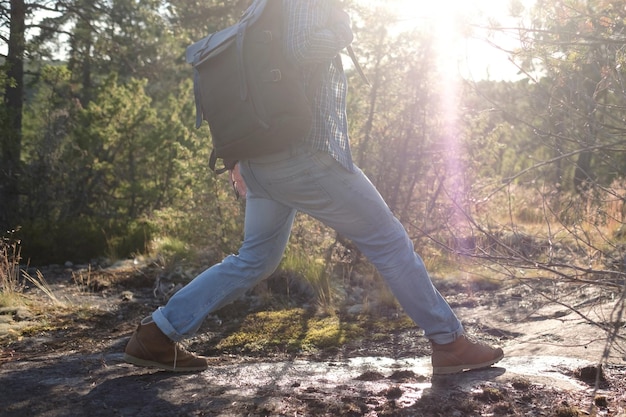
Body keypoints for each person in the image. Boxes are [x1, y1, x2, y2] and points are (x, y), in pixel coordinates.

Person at [124, 0, 504, 375]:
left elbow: (247, 81)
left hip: (260, 158)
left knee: (255, 259)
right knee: (388, 241)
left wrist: (237, 157)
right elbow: (302, 48)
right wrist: (342, 25)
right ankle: (450, 343)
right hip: (303, 156)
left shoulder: (262, 8)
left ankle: (157, 334)